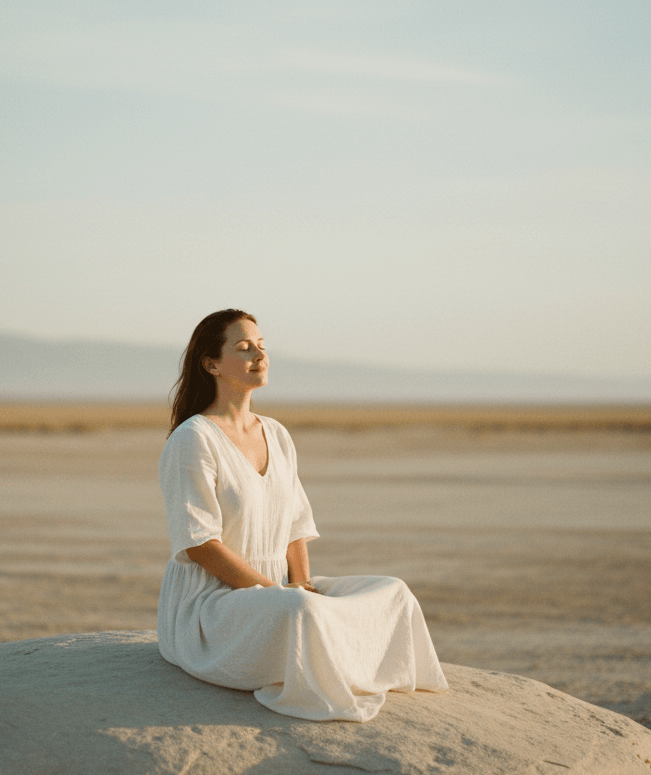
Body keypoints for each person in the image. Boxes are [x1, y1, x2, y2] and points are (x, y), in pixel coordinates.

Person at [156, 308, 449, 721]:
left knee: (392, 592)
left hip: (276, 594)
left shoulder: (275, 433)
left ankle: (340, 648)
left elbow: (295, 525)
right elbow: (201, 544)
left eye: (261, 346)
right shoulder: (193, 439)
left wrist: (303, 585)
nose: (259, 355)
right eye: (243, 348)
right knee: (301, 613)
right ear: (211, 364)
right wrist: (275, 595)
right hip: (210, 607)